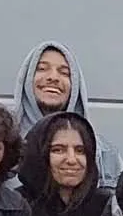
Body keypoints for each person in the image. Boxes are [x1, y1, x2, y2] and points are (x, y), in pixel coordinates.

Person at [12, 41, 116, 177]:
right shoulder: (4, 146)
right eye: (42, 69)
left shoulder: (102, 153)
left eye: (64, 73)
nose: (53, 78)